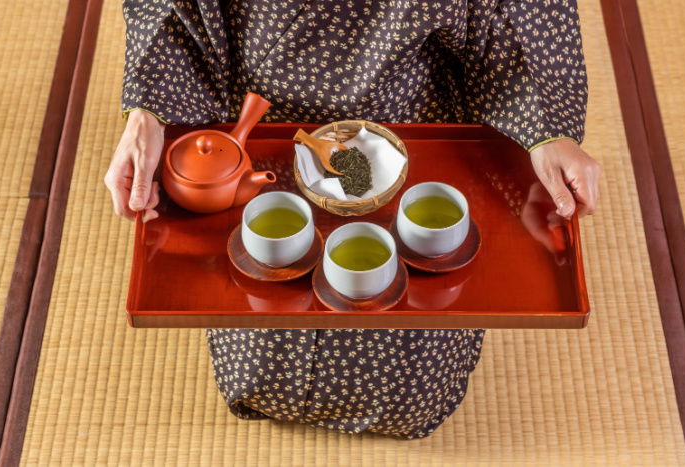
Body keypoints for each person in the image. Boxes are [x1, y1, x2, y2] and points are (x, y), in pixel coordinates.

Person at [105, 0, 600, 439]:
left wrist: (545, 130)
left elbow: (519, 13)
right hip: (269, 125)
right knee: (266, 277)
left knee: (408, 284)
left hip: (408, 125)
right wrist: (148, 112)